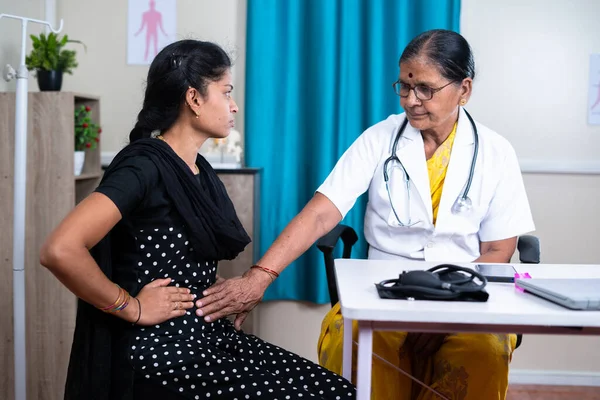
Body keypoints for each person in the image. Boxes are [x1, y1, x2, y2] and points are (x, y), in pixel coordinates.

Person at [195, 30, 535, 400]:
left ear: (464, 89)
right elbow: (321, 213)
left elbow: (499, 250)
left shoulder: (496, 152)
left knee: (482, 353)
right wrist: (259, 277)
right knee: (355, 341)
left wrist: (440, 313)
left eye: (425, 89)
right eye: (404, 87)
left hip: (464, 296)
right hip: (385, 290)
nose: (411, 100)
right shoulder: (380, 138)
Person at [40, 39, 356, 400]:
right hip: (161, 349)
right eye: (226, 92)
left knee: (338, 389)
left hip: (206, 335)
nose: (234, 105)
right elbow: (60, 250)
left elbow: (172, 253)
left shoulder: (197, 171)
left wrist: (206, 285)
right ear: (193, 98)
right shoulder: (143, 166)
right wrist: (133, 307)